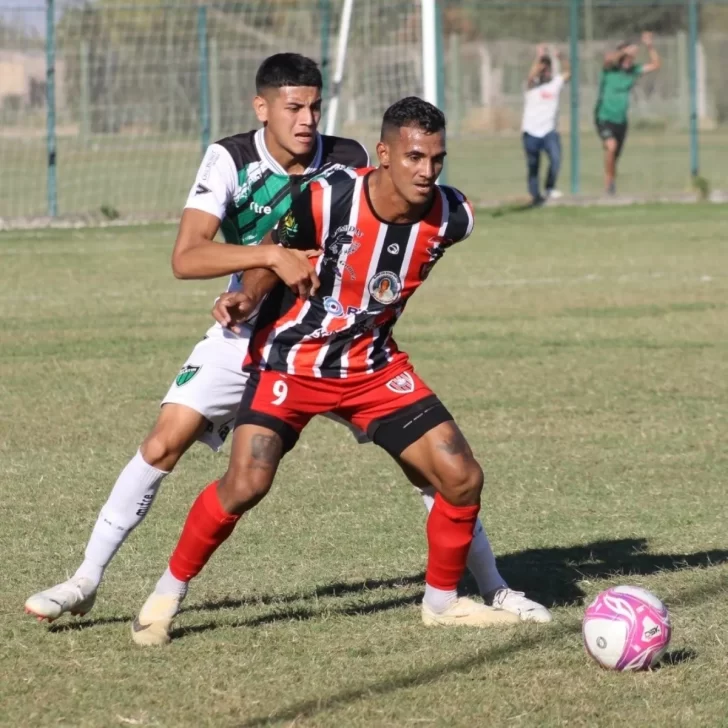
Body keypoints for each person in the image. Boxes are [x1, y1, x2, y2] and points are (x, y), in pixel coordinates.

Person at [25, 58, 550, 628]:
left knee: (442, 471)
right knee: (172, 445)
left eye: (315, 106)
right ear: (264, 108)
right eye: (294, 107)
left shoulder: (360, 164)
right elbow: (192, 256)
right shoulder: (235, 160)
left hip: (356, 354)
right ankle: (88, 580)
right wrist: (258, 274)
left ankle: (482, 589)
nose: (307, 120)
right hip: (259, 336)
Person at [595, 31, 661, 195]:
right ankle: (609, 184)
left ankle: (610, 182)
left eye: (631, 57)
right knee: (611, 146)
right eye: (626, 57)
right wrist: (626, 50)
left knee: (614, 156)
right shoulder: (610, 69)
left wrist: (649, 46)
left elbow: (655, 64)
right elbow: (608, 59)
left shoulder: (634, 71)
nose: (629, 60)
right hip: (604, 116)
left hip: (621, 120)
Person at [521, 44, 571, 205]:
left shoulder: (555, 83)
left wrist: (561, 57)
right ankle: (535, 196)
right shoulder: (531, 86)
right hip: (531, 132)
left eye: (547, 69)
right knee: (533, 165)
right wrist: (539, 57)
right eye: (542, 69)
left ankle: (550, 187)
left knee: (556, 159)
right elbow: (531, 76)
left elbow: (568, 72)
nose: (545, 72)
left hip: (549, 131)